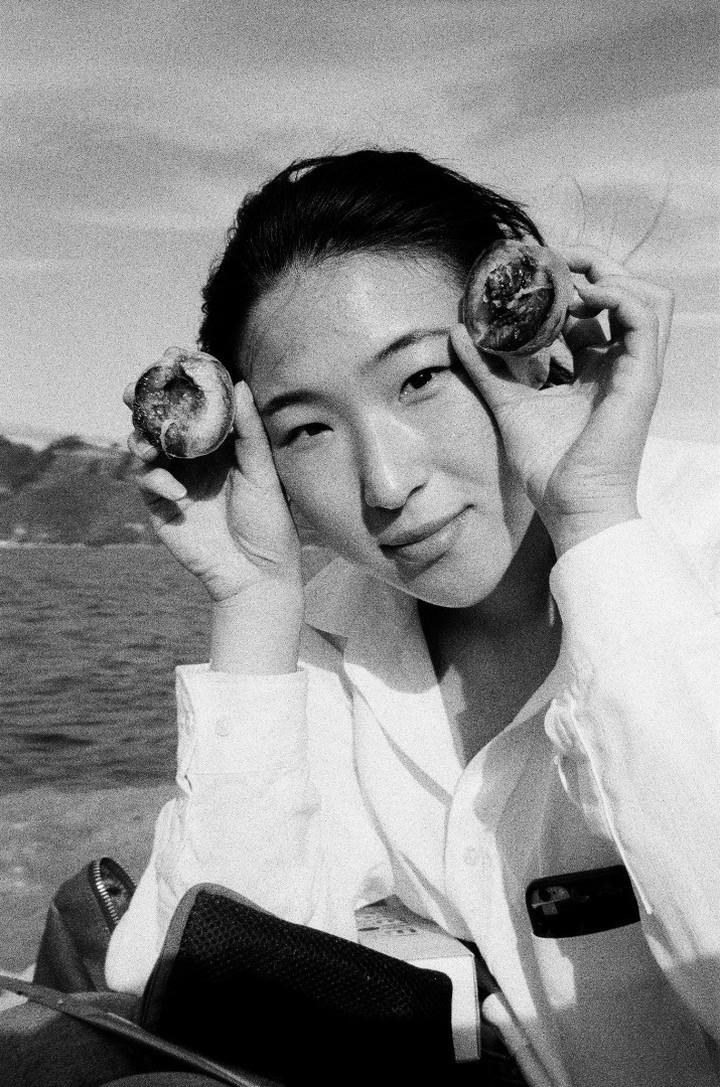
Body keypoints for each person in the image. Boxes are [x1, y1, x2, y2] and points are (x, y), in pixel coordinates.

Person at [106, 149, 720, 1086]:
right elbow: (208, 997)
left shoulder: (699, 541)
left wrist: (596, 525)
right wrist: (257, 603)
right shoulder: (333, 626)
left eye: (422, 379)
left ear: (524, 333)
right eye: (307, 428)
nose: (387, 483)